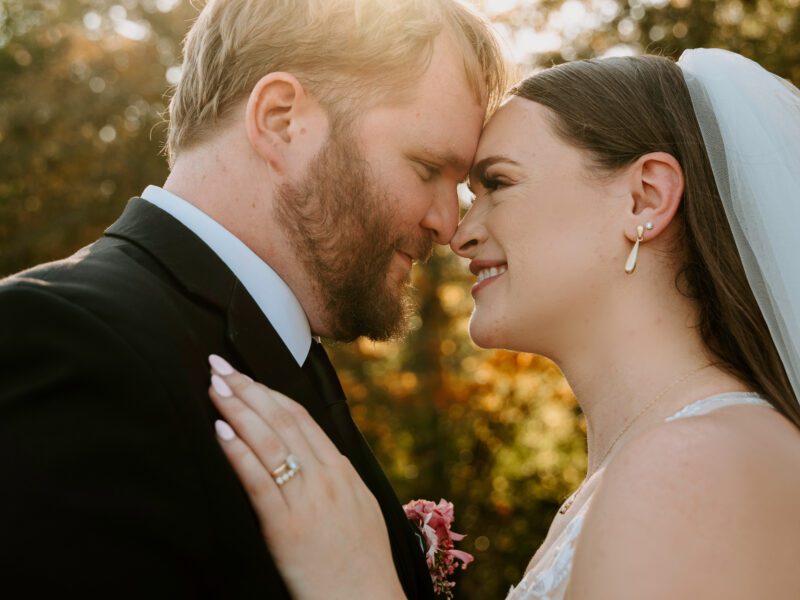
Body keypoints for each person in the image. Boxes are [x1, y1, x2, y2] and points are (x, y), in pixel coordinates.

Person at [206, 49, 800, 598]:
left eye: (498, 183)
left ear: (645, 198)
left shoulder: (691, 468)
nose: (459, 233)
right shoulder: (663, 461)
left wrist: (355, 579)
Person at [0, 0, 508, 596]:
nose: (448, 223)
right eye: (426, 168)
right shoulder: (67, 342)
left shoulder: (278, 346)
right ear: (280, 119)